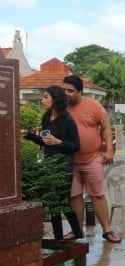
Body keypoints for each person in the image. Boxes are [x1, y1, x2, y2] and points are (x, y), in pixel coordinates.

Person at [63, 74, 121, 243]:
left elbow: (106, 127)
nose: (67, 93)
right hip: (70, 161)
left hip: (93, 158)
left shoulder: (93, 105)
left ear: (80, 92)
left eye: (70, 91)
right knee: (74, 196)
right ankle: (77, 230)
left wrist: (109, 150)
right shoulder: (61, 108)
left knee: (97, 195)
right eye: (64, 90)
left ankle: (107, 230)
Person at [23, 85, 83, 240]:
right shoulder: (46, 118)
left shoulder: (67, 120)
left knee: (62, 202)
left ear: (55, 99)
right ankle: (59, 238)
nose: (42, 101)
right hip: (49, 164)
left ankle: (77, 233)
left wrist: (59, 142)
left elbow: (76, 146)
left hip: (63, 166)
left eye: (45, 97)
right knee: (53, 202)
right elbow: (44, 142)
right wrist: (29, 136)